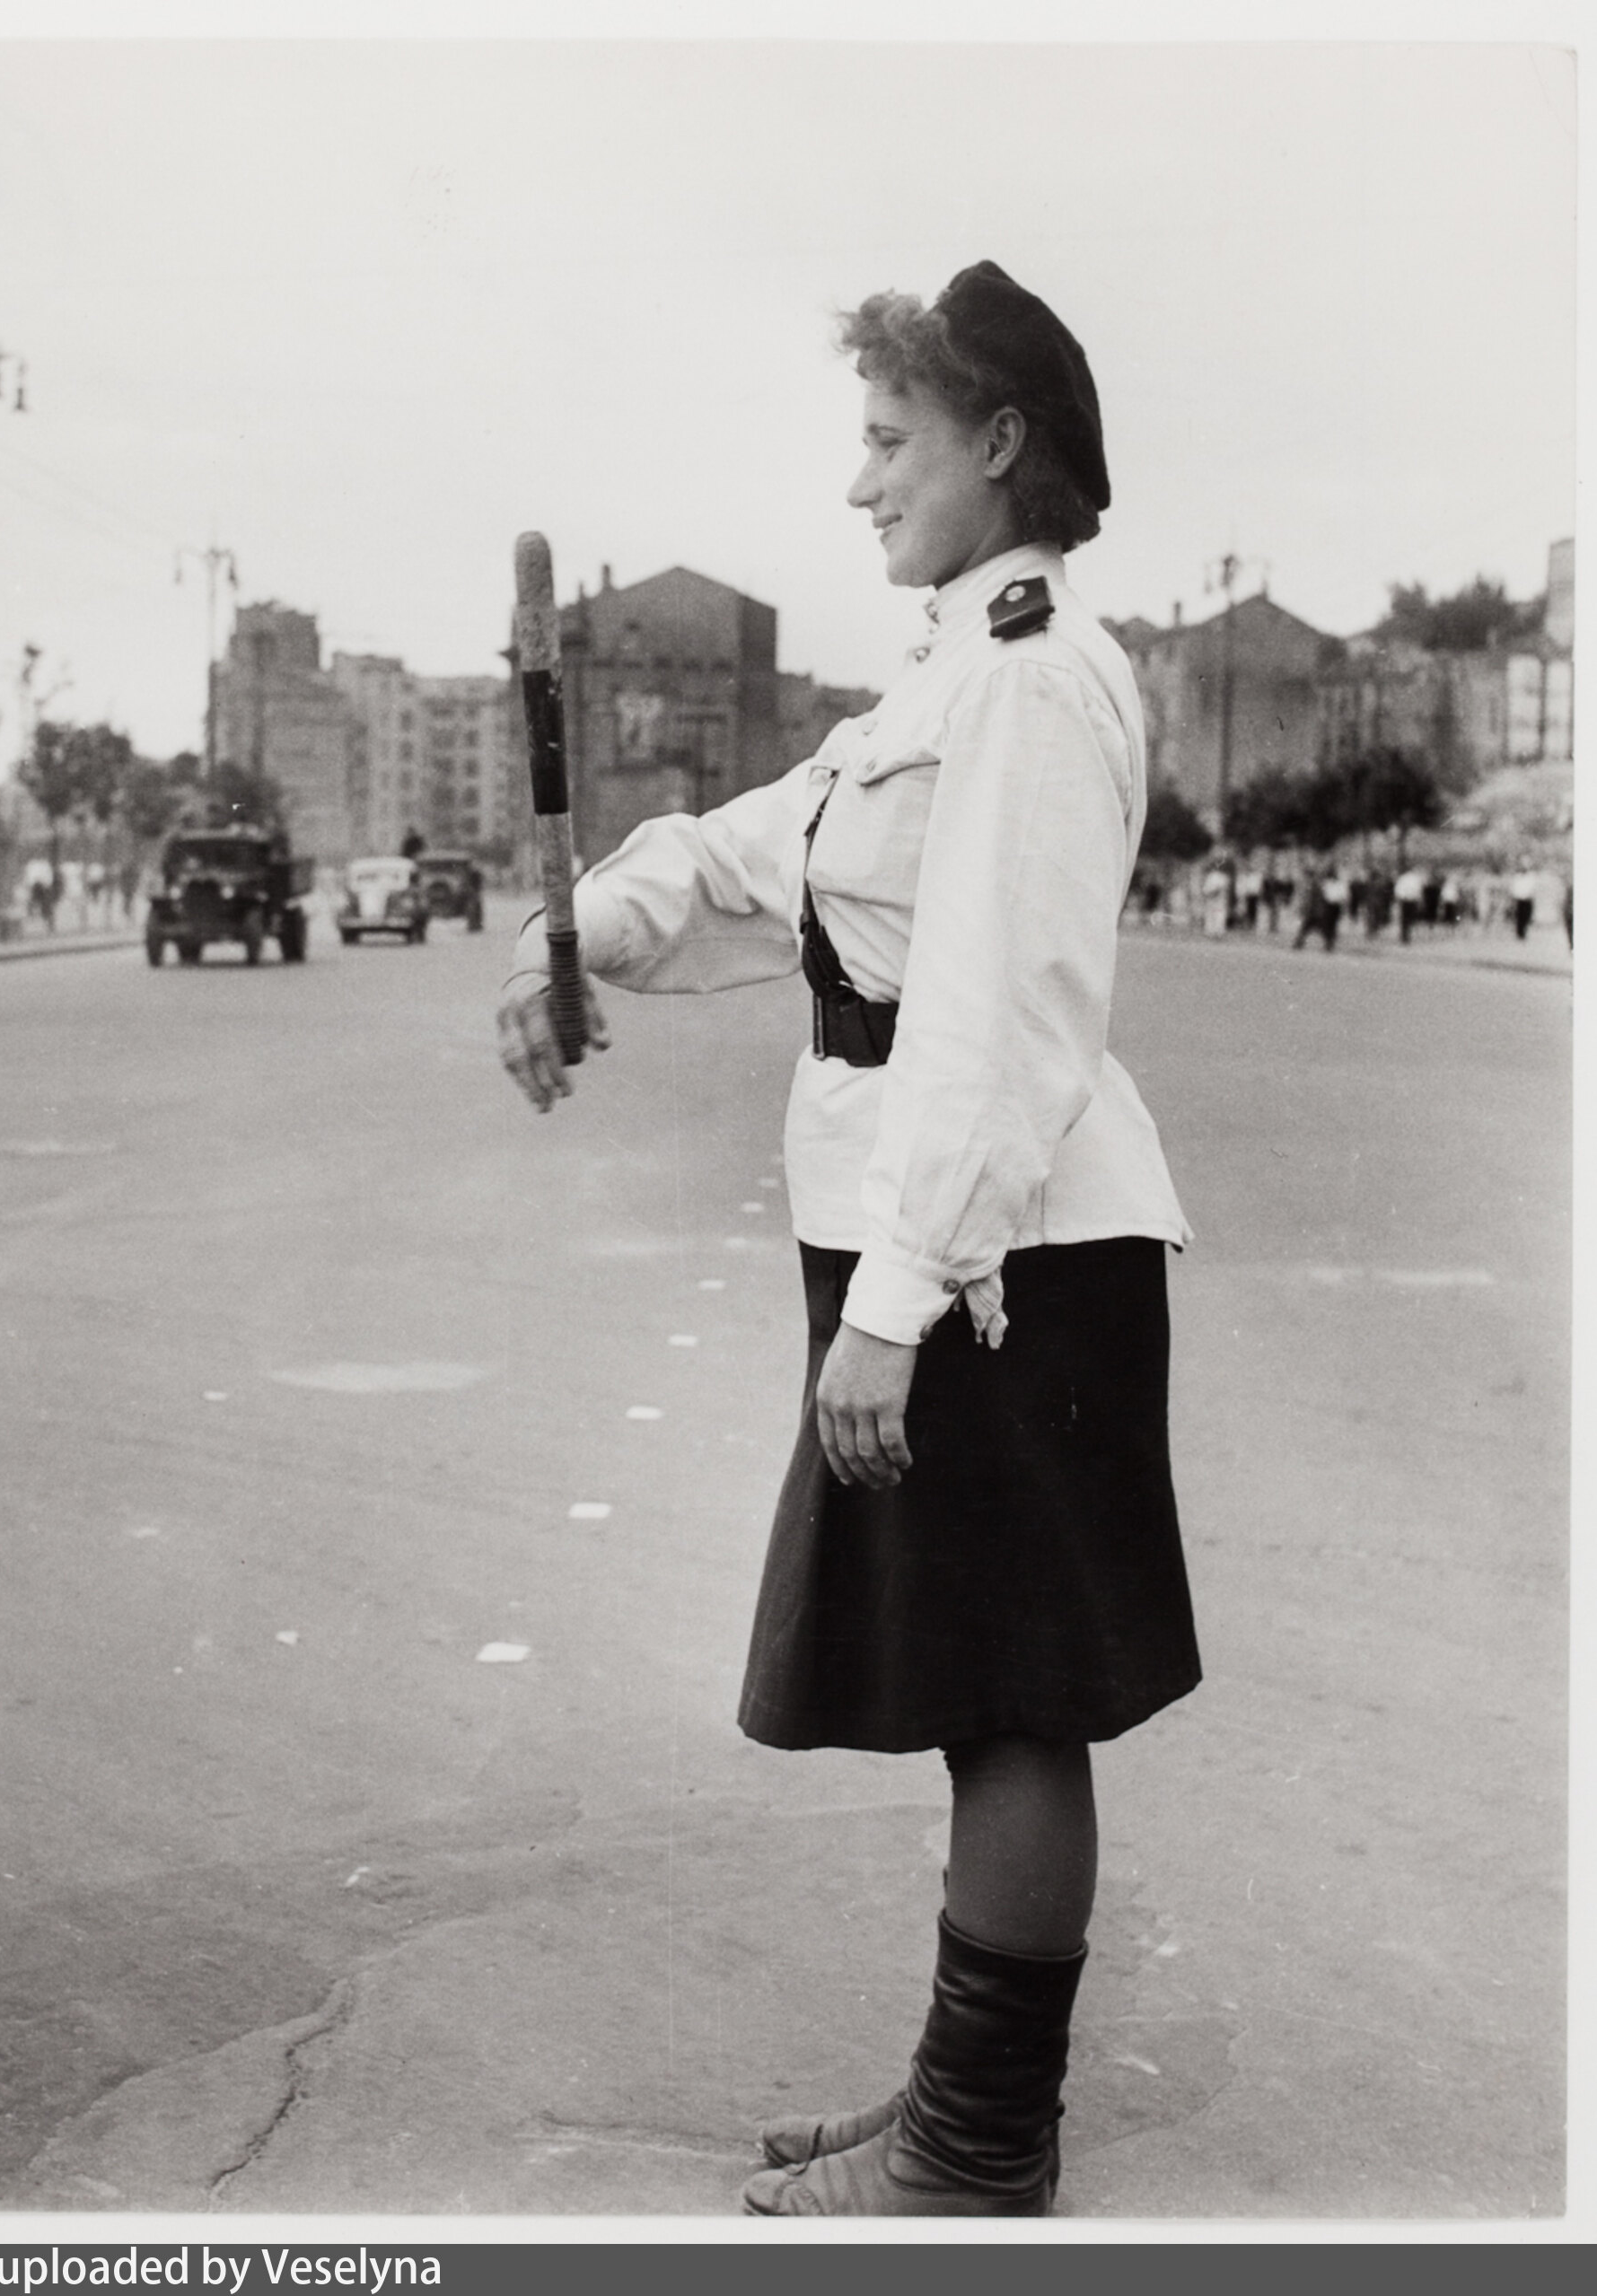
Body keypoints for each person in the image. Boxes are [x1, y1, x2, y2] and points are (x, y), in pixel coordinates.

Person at [499, 261, 1199, 2218]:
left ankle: (974, 2147)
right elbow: (759, 856)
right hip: (952, 1242)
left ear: (1000, 444)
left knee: (1010, 1691)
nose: (858, 480)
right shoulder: (953, 674)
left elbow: (998, 1019)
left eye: (890, 440)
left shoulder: (1033, 677)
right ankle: (958, 2106)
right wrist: (581, 931)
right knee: (979, 1685)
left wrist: (897, 1306)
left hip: (996, 1257)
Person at [1393, 862, 1425, 946]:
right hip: (1413, 900)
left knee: (1404, 919)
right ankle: (1408, 935)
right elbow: (1419, 890)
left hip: (1404, 900)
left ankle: (1404, 936)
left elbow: (1398, 890)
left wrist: (1399, 899)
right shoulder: (1416, 879)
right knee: (1411, 918)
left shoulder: (1402, 878)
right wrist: (1419, 900)